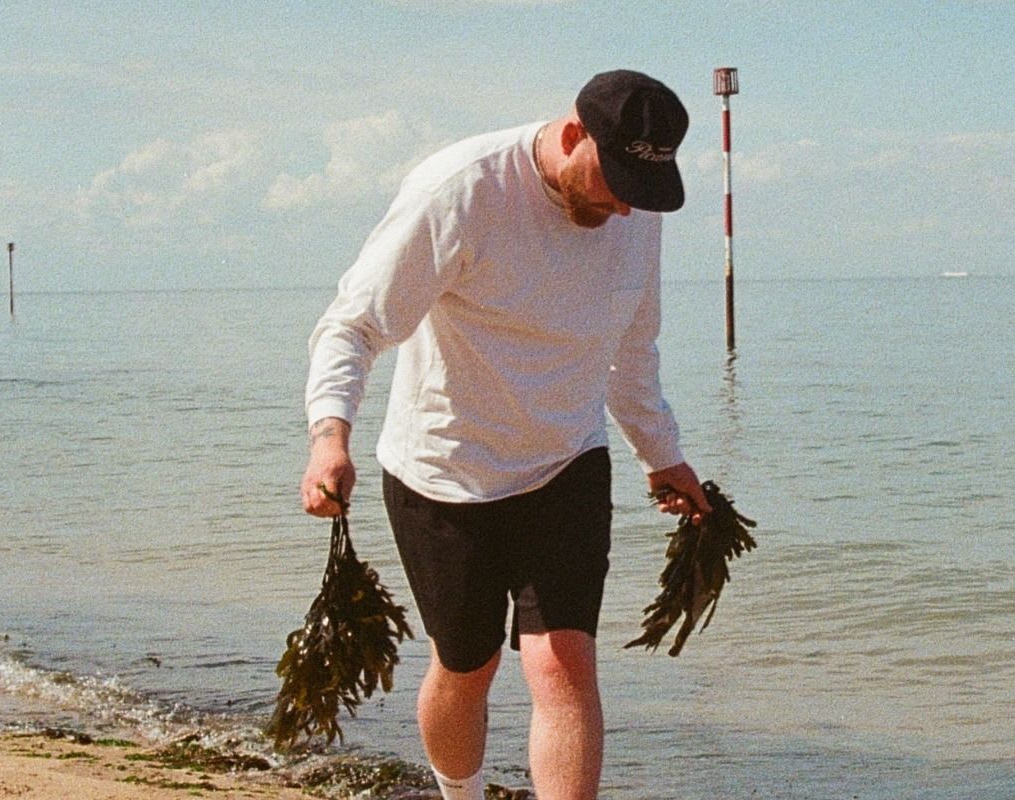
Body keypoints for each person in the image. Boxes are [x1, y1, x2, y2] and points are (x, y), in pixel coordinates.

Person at [300, 69, 711, 800]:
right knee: (467, 665)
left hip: (566, 462)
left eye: (638, 192)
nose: (622, 207)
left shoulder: (634, 209)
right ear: (574, 132)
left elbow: (631, 352)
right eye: (612, 180)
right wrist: (329, 437)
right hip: (442, 469)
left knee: (562, 663)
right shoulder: (461, 191)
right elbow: (354, 324)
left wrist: (663, 455)